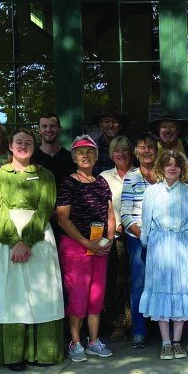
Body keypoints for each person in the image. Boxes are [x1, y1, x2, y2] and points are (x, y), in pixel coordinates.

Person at [0, 128, 64, 370]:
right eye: (19, 142)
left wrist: (27, 241)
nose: (23, 146)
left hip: (38, 237)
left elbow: (45, 209)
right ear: (10, 146)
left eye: (28, 142)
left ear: (34, 146)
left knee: (42, 294)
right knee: (10, 295)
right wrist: (14, 241)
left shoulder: (45, 175)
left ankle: (42, 352)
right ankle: (14, 354)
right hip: (5, 239)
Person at [56, 135, 115, 362]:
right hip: (75, 245)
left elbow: (110, 214)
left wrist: (108, 240)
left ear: (96, 156)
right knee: (78, 294)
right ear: (74, 157)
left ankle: (93, 341)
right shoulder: (68, 182)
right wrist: (85, 242)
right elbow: (63, 219)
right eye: (81, 152)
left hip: (99, 245)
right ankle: (75, 342)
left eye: (90, 152)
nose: (85, 156)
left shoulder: (101, 182)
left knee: (96, 295)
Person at [139, 150, 188, 360]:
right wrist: (149, 243)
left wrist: (182, 240)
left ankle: (177, 341)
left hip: (181, 245)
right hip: (158, 246)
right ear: (161, 167)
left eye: (176, 164)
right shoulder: (152, 192)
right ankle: (165, 342)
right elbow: (146, 222)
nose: (172, 168)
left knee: (181, 290)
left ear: (182, 168)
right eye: (168, 164)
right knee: (161, 290)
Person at [120, 132, 160, 349]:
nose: (147, 151)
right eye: (142, 147)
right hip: (138, 238)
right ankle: (139, 331)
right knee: (139, 285)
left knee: (164, 283)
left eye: (151, 147)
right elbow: (125, 215)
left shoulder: (165, 175)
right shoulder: (131, 177)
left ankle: (165, 330)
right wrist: (141, 235)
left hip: (164, 239)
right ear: (135, 152)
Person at [100, 135, 134, 342]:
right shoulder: (104, 177)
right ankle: (118, 324)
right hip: (114, 236)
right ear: (111, 154)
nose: (120, 154)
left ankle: (137, 323)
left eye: (124, 150)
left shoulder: (141, 175)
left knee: (134, 280)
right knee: (115, 281)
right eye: (116, 150)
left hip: (137, 235)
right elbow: (101, 207)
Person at [32, 113, 72, 186]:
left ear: (59, 129)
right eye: (44, 126)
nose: (48, 130)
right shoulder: (31, 158)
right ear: (39, 130)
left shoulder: (70, 158)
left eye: (52, 126)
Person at [88, 107, 129, 176]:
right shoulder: (92, 148)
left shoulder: (129, 148)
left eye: (115, 122)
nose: (110, 125)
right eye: (106, 121)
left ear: (121, 125)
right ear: (100, 125)